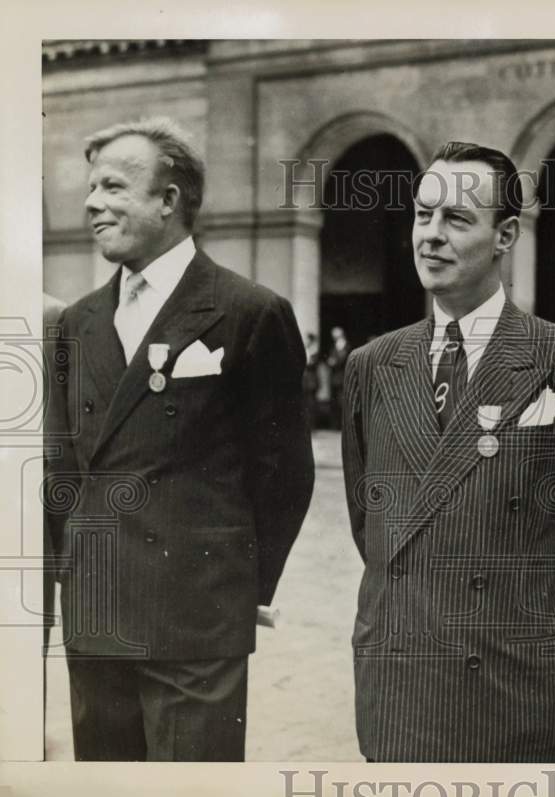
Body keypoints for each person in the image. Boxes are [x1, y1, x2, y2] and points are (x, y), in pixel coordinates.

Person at [341, 141, 555, 762]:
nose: (431, 236)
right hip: (400, 679)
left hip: (514, 687)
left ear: (505, 235)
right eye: (423, 216)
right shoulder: (372, 366)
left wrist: (520, 623)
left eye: (456, 220)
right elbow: (371, 520)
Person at [45, 117, 315, 761]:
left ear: (169, 200)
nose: (92, 203)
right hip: (99, 619)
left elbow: (284, 475)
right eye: (90, 188)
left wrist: (235, 588)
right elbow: (64, 469)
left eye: (113, 186)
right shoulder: (77, 322)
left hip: (196, 627)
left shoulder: (249, 312)